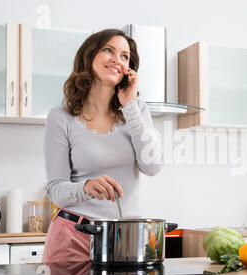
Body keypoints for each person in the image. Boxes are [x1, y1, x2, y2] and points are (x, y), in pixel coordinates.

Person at [42, 29, 163, 263]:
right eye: (108, 50)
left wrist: (130, 106)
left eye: (125, 56)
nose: (117, 59)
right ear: (89, 56)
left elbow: (153, 165)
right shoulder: (61, 117)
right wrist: (86, 186)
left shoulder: (137, 110)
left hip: (127, 239)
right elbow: (56, 189)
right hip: (73, 237)